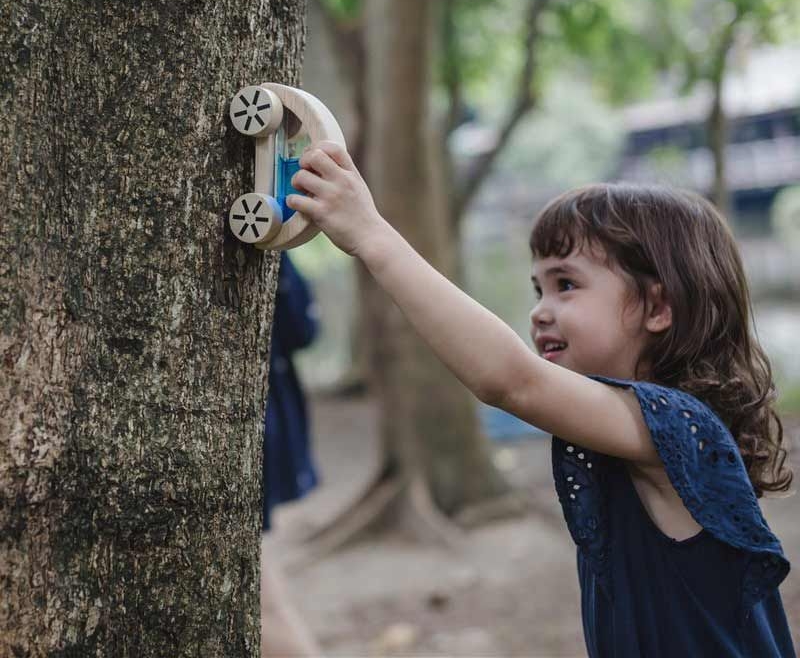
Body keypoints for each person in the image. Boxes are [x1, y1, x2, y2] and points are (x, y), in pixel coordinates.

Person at [287, 141, 796, 658]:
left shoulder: (679, 426)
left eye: (566, 285)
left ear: (657, 306)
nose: (540, 312)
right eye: (538, 290)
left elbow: (510, 380)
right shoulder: (624, 433)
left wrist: (371, 234)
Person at [260, 253, 322, 658]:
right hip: (263, 432)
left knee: (262, 599)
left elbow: (303, 329)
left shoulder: (272, 241)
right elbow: (305, 329)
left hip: (260, 434)